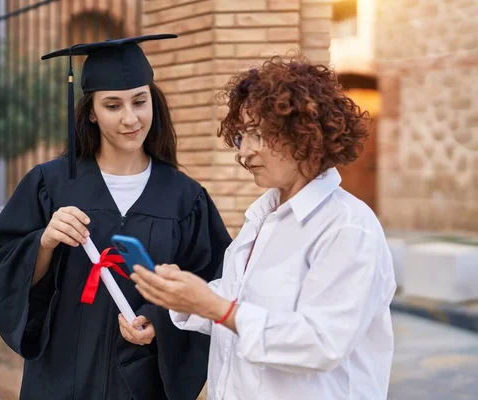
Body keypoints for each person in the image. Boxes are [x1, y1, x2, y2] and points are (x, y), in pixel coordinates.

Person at [0, 34, 231, 400]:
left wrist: (159, 321)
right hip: (60, 379)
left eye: (140, 101)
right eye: (113, 105)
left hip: (140, 382)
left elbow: (214, 280)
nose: (130, 118)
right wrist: (44, 242)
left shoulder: (184, 198)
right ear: (91, 111)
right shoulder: (51, 183)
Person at [131, 55, 397, 399]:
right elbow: (238, 307)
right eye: (242, 135)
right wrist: (181, 300)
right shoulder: (263, 216)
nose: (245, 152)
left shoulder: (348, 228)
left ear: (305, 135)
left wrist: (215, 307)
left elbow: (321, 343)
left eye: (259, 135)